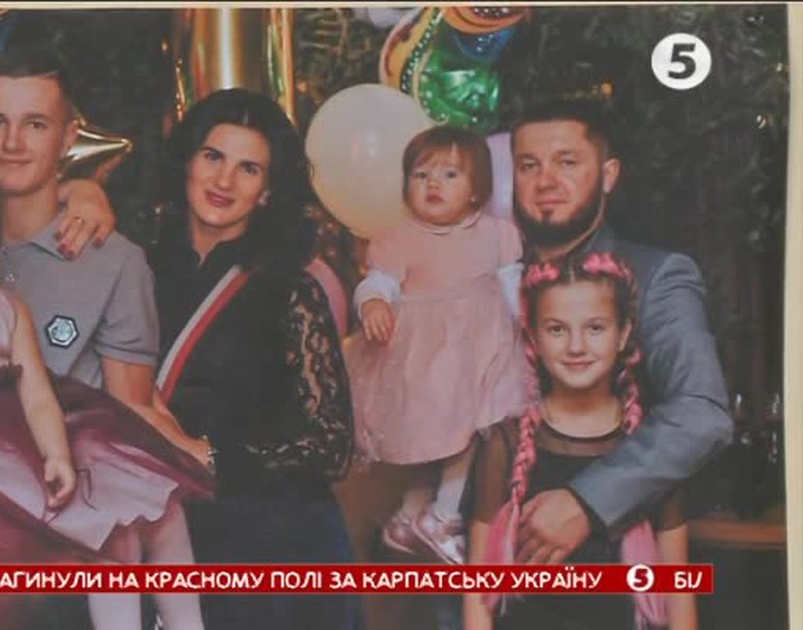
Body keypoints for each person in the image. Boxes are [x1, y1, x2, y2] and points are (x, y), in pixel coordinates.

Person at [0, 45, 213, 629]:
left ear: (68, 135)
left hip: (60, 557)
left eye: (35, 124)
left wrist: (199, 453)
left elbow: (127, 417)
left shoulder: (114, 262)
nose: (12, 142)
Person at [143, 88, 363, 630]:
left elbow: (331, 446)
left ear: (267, 191)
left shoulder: (289, 288)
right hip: (159, 529)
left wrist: (208, 453)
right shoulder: (137, 266)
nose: (224, 180)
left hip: (271, 545)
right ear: (188, 160)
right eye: (213, 156)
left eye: (248, 169)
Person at [505, 99, 733, 564]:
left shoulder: (656, 276)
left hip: (615, 563)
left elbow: (702, 413)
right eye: (529, 165)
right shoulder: (494, 281)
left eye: (567, 162)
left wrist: (587, 501)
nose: (546, 181)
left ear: (608, 175)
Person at [463, 251, 697, 630]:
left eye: (595, 328)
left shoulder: (653, 448)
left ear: (623, 334)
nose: (576, 346)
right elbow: (478, 593)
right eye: (557, 329)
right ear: (533, 338)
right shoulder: (504, 443)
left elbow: (678, 592)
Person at [344, 125, 527, 564]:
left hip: (482, 352)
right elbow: (379, 282)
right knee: (431, 439)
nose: (433, 184)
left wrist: (527, 323)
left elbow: (512, 289)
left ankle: (435, 514)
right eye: (421, 175)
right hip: (426, 358)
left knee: (468, 431)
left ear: (476, 189)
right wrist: (373, 304)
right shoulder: (399, 238)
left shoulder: (497, 234)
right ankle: (420, 515)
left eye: (449, 175)